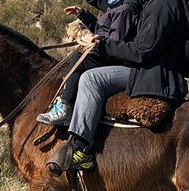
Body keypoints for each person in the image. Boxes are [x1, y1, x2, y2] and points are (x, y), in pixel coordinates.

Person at [47, 0, 188, 174]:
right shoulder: (141, 5)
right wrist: (87, 20)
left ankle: (82, 148)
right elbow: (107, 21)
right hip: (142, 66)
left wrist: (100, 43)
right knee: (82, 64)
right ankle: (67, 107)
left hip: (149, 72)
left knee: (91, 79)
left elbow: (140, 51)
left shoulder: (154, 7)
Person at [36, 0, 142, 128]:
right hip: (107, 54)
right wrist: (83, 14)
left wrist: (94, 42)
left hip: (115, 59)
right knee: (76, 61)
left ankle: (65, 108)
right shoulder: (115, 8)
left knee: (80, 62)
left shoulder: (125, 11)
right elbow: (100, 29)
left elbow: (114, 41)